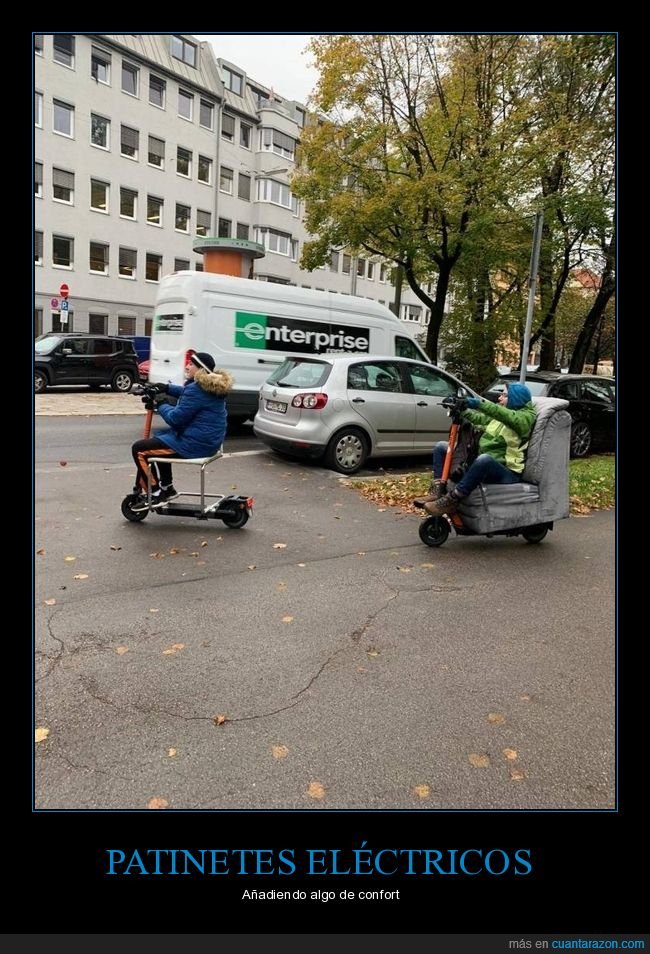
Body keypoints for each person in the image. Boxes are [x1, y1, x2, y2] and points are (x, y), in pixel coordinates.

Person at [131, 352, 233, 510]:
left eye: (191, 364)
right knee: (160, 440)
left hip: (195, 445)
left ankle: (156, 494)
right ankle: (167, 488)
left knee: (139, 450)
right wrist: (166, 388)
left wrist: (161, 403)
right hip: (208, 442)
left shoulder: (197, 390)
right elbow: (186, 393)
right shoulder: (210, 386)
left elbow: (175, 419)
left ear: (200, 370)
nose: (187, 366)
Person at [417, 382, 536, 516]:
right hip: (484, 461)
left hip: (507, 471)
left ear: (516, 398)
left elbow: (502, 414)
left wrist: (477, 403)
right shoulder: (503, 414)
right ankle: (438, 492)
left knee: (484, 460)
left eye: (504, 395)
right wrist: (461, 408)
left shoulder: (525, 418)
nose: (499, 398)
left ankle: (452, 500)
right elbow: (479, 418)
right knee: (441, 447)